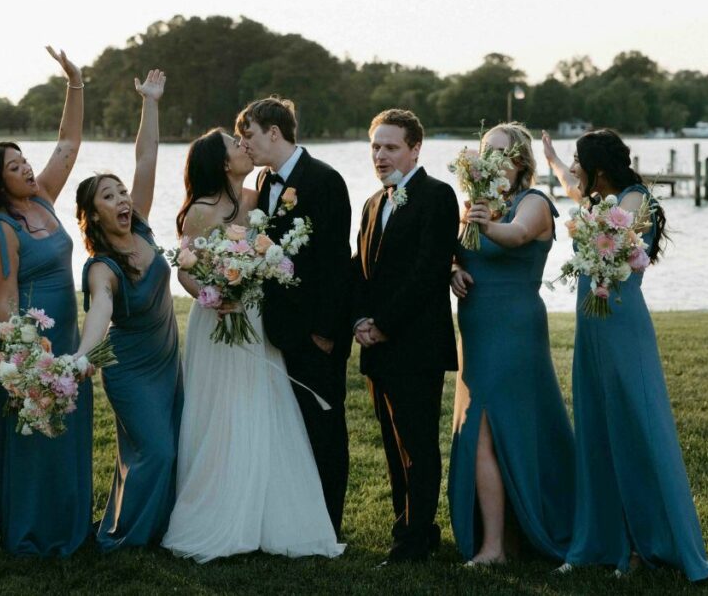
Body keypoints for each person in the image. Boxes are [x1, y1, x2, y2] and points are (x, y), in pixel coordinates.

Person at [160, 128, 344, 562]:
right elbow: (185, 267)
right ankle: (220, 512)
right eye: (234, 143)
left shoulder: (257, 195)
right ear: (223, 162)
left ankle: (268, 517)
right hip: (218, 318)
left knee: (262, 404)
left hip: (256, 316)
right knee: (222, 410)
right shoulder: (200, 211)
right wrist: (212, 294)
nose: (243, 145)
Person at [543, 129, 708, 581]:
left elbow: (619, 239)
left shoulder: (635, 199)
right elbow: (569, 184)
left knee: (634, 429)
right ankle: (601, 542)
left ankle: (644, 546)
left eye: (579, 161)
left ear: (599, 170)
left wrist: (587, 213)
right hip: (592, 329)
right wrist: (553, 159)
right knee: (597, 430)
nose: (573, 170)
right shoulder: (597, 199)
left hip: (622, 328)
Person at [0, 46, 90, 556]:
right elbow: (6, 302)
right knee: (35, 433)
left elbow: (68, 143)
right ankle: (31, 531)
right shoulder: (1, 228)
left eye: (24, 161)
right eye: (15, 166)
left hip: (69, 335)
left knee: (68, 429)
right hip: (34, 346)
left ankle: (69, 524)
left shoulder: (43, 198)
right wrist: (24, 365)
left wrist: (75, 83)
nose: (26, 169)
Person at [447, 122, 575, 566]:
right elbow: (459, 252)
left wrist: (483, 221)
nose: (489, 159)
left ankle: (502, 544)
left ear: (520, 161)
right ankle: (497, 543)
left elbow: (516, 235)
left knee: (505, 428)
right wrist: (452, 270)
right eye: (485, 150)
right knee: (478, 432)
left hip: (515, 330)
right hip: (476, 330)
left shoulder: (533, 202)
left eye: (498, 152)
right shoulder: (478, 205)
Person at [74, 70, 183, 553]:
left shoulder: (139, 225)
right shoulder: (103, 267)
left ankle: (158, 527)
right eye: (109, 197)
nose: (121, 200)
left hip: (166, 360)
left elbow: (147, 156)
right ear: (93, 215)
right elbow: (100, 311)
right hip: (130, 368)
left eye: (121, 192)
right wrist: (84, 354)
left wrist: (150, 103)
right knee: (157, 450)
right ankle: (125, 539)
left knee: (167, 447)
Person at [236, 96, 352, 537]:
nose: (245, 144)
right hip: (277, 329)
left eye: (249, 134)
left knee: (324, 428)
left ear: (273, 132)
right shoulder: (264, 180)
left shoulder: (324, 179)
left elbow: (337, 263)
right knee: (290, 428)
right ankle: (297, 518)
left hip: (316, 333)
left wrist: (325, 332)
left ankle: (329, 523)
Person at [351, 109, 459, 565]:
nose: (380, 155)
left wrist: (384, 324)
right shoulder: (373, 203)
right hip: (377, 347)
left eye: (391, 147)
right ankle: (413, 529)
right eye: (376, 146)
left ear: (415, 148)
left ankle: (413, 542)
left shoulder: (438, 196)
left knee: (417, 445)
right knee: (393, 447)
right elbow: (360, 269)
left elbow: (429, 271)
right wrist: (359, 319)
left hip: (416, 344)